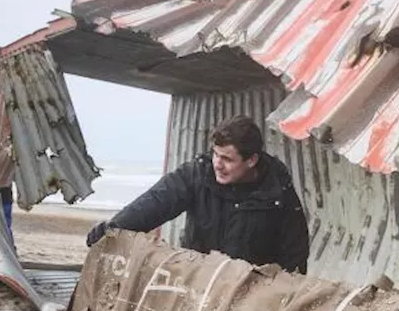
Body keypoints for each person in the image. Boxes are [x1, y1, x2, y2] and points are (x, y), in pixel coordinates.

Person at [86, 116, 309, 273]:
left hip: (247, 297)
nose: (217, 165)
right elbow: (156, 202)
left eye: (227, 159)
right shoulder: (197, 175)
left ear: (251, 160)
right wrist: (114, 228)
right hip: (198, 281)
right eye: (215, 155)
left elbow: (294, 255)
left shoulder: (278, 192)